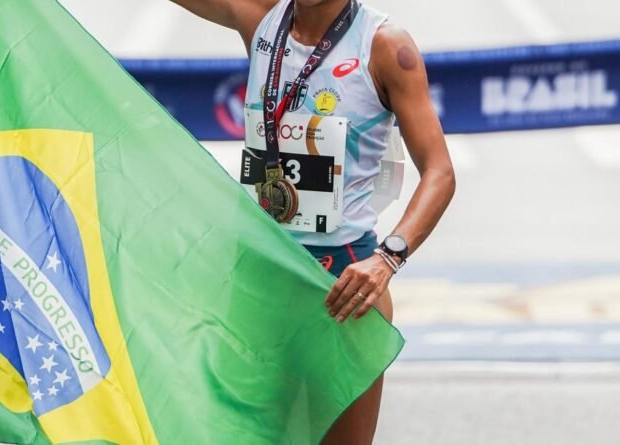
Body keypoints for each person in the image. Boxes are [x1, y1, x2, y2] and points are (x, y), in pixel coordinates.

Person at [170, 0, 456, 443]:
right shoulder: (261, 18)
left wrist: (387, 258)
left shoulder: (384, 46)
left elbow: (439, 172)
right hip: (260, 281)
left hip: (343, 285)